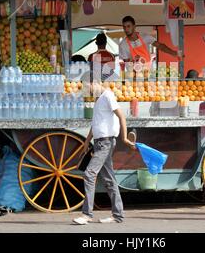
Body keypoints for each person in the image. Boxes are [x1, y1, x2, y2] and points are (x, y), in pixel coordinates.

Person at [73, 72, 136, 225]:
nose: (86, 89)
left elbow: (121, 116)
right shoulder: (99, 99)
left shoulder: (107, 95)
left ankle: (87, 214)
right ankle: (118, 215)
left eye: (87, 85)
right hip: (100, 142)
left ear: (95, 82)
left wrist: (124, 138)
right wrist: (87, 142)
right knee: (109, 179)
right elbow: (95, 124)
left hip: (106, 143)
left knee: (89, 174)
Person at [119, 16, 184, 69]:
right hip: (133, 75)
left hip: (148, 72)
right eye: (124, 27)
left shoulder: (145, 37)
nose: (126, 29)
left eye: (128, 26)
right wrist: (133, 60)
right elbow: (126, 61)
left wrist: (173, 53)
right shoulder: (123, 44)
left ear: (134, 26)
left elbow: (160, 46)